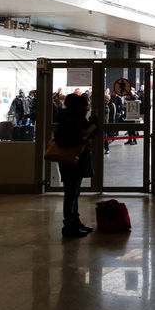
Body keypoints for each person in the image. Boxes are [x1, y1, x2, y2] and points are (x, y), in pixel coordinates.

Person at [54, 93, 98, 238]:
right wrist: (79, 134)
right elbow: (64, 139)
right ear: (78, 106)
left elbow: (91, 132)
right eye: (85, 105)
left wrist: (93, 120)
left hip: (76, 160)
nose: (87, 108)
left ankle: (75, 222)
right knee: (71, 193)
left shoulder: (76, 119)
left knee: (75, 192)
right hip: (71, 160)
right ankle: (69, 226)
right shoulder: (69, 120)